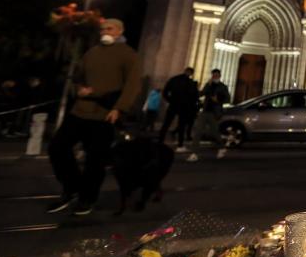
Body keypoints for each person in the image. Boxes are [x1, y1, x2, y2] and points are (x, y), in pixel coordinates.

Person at [47, 18, 142, 216]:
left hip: (105, 114)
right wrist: (78, 89)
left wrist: (119, 108)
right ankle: (72, 186)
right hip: (80, 110)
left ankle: (87, 198)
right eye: (102, 28)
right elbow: (77, 77)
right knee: (57, 147)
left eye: (109, 28)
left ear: (119, 31)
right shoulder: (92, 52)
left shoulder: (129, 55)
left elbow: (132, 85)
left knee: (95, 160)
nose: (104, 31)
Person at [188, 69, 231, 162]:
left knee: (214, 132)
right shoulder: (209, 85)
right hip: (205, 111)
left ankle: (222, 147)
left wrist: (218, 100)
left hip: (214, 113)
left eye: (217, 75)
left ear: (220, 76)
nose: (215, 76)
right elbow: (201, 94)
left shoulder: (223, 87)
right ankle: (194, 153)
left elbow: (228, 99)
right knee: (198, 131)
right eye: (213, 75)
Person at [159, 67, 199, 151]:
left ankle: (160, 141)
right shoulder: (191, 83)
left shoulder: (174, 79)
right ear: (191, 74)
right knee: (181, 126)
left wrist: (170, 100)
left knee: (167, 124)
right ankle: (180, 145)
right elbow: (194, 97)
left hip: (174, 104)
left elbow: (165, 91)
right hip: (184, 106)